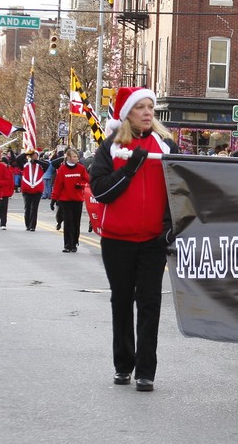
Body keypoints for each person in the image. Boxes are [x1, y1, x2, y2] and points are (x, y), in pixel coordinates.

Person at [89, 86, 178, 392]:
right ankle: (123, 365)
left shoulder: (165, 145)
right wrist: (130, 168)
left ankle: (146, 370)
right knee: (122, 302)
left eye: (150, 107)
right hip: (117, 240)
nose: (147, 112)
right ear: (128, 112)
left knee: (150, 303)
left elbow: (180, 191)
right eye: (140, 107)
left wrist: (170, 225)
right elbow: (100, 191)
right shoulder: (110, 147)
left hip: (152, 240)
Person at [51, 149, 89, 252]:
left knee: (76, 222)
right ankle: (67, 244)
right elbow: (58, 185)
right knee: (68, 222)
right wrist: (54, 199)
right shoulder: (62, 169)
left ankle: (74, 243)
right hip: (65, 200)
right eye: (74, 156)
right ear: (68, 157)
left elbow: (86, 180)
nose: (76, 158)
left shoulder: (81, 168)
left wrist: (80, 185)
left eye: (77, 156)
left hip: (77, 200)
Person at [18, 148, 48, 231]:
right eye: (33, 155)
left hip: (37, 190)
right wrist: (27, 153)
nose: (34, 156)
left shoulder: (41, 166)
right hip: (26, 190)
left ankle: (32, 225)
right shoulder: (25, 165)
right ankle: (27, 224)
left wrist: (36, 161)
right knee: (27, 207)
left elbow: (47, 165)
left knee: (34, 208)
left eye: (36, 155)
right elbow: (18, 159)